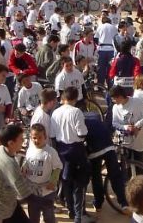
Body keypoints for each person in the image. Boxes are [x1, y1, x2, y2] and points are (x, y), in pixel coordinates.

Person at [49, 87, 93, 223]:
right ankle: (78, 216)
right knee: (79, 184)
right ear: (76, 98)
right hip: (76, 149)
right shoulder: (76, 112)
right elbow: (82, 133)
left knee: (66, 181)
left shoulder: (55, 112)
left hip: (62, 150)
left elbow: (52, 134)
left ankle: (71, 210)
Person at [0, 124, 36, 223]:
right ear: (11, 143)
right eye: (20, 139)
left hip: (7, 203)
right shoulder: (9, 163)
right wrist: (44, 202)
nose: (23, 142)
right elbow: (24, 192)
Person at [23, 123, 63, 223]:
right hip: (32, 191)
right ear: (31, 138)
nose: (37, 140)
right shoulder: (30, 150)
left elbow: (58, 167)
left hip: (47, 191)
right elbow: (26, 162)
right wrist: (24, 168)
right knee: (33, 215)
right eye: (34, 138)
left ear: (45, 137)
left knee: (48, 216)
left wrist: (53, 181)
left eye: (40, 137)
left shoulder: (50, 152)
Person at [111, 86, 143, 164]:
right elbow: (114, 123)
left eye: (115, 98)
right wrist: (125, 127)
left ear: (120, 96)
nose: (114, 101)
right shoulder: (115, 107)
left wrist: (137, 125)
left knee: (139, 164)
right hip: (124, 141)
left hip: (138, 139)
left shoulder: (136, 102)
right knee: (126, 166)